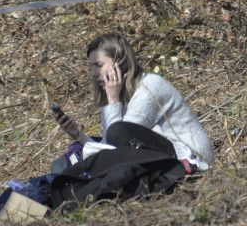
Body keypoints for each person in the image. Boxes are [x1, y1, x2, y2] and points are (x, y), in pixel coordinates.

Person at [55, 32, 215, 172]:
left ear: (120, 63)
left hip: (194, 160)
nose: (93, 73)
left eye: (99, 65)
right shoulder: (116, 96)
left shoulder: (150, 87)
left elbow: (118, 147)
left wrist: (112, 101)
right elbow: (108, 147)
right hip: (170, 158)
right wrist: (79, 136)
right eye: (92, 66)